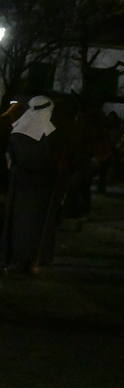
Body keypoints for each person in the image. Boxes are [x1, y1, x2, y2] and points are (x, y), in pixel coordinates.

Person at [2, 96, 63, 275]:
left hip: (19, 184)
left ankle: (18, 258)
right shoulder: (46, 134)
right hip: (36, 187)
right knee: (29, 225)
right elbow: (42, 160)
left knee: (19, 223)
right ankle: (24, 259)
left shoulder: (17, 131)